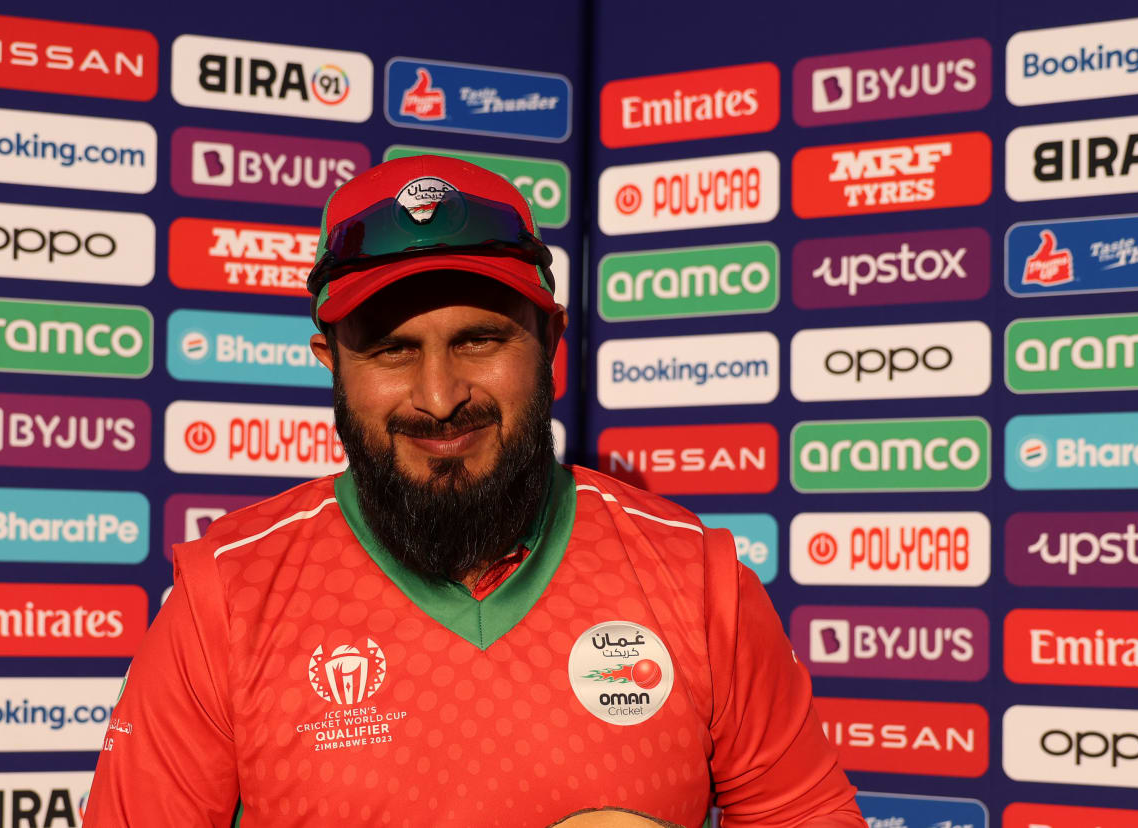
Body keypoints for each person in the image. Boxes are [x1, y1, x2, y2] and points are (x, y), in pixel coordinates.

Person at [83, 155, 863, 827]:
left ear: (551, 340)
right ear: (331, 361)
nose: (439, 394)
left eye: (479, 340)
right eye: (392, 350)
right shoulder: (227, 597)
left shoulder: (695, 578)